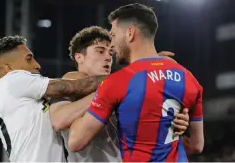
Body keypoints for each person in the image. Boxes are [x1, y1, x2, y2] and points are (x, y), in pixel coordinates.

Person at [68, 3, 204, 162]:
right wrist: (168, 130)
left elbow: (75, 142)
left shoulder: (118, 82)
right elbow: (196, 145)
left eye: (113, 35)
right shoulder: (190, 79)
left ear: (130, 33)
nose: (112, 45)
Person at [49, 26, 190, 162]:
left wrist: (176, 122)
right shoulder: (72, 80)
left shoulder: (121, 87)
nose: (108, 57)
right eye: (100, 51)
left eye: (111, 53)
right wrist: (138, 70)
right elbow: (59, 120)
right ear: (79, 57)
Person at [0, 35, 107, 162]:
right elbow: (71, 87)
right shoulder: (12, 80)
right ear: (8, 68)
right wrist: (120, 79)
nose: (37, 65)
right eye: (29, 59)